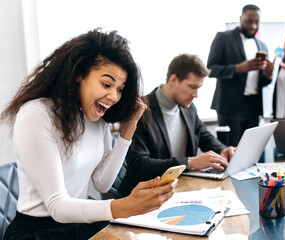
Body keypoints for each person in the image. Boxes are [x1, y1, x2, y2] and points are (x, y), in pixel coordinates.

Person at [0, 29, 176, 240]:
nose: (114, 96)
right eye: (106, 84)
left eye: (120, 89)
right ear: (79, 75)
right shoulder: (36, 114)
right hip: (39, 232)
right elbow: (57, 206)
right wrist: (124, 206)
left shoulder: (96, 119)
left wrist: (127, 131)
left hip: (80, 223)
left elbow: (102, 183)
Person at [117, 54, 236, 197]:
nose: (196, 95)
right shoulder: (139, 110)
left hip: (179, 191)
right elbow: (138, 165)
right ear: (173, 80)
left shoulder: (189, 108)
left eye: (198, 88)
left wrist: (223, 151)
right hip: (143, 195)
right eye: (192, 87)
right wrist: (189, 162)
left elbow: (204, 136)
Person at [207, 4, 274, 147]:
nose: (253, 26)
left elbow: (260, 82)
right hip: (230, 107)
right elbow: (210, 69)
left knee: (250, 150)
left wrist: (268, 76)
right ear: (240, 18)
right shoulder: (223, 38)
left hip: (254, 107)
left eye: (257, 22)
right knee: (231, 150)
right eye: (249, 21)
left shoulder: (262, 45)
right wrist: (238, 68)